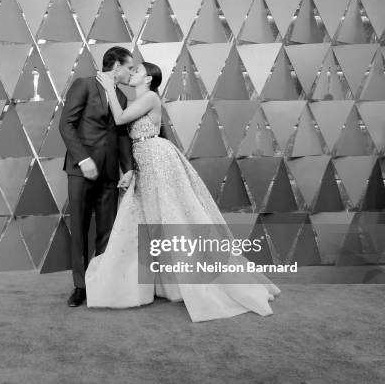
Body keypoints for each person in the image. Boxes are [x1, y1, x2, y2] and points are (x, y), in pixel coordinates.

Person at [85, 61, 281, 322]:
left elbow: (120, 118)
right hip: (145, 160)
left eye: (137, 71)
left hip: (156, 158)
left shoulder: (151, 97)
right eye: (131, 70)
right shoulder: (140, 100)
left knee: (173, 215)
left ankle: (202, 280)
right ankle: (165, 283)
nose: (132, 74)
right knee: (151, 218)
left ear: (149, 79)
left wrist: (109, 86)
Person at [59, 47, 136, 307]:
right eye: (130, 67)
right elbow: (66, 124)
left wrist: (128, 168)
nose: (131, 72)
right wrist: (82, 159)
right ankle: (80, 287)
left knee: (107, 229)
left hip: (109, 172)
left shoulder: (122, 98)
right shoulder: (84, 85)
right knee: (79, 228)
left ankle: (99, 281)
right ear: (116, 66)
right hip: (81, 170)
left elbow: (122, 134)